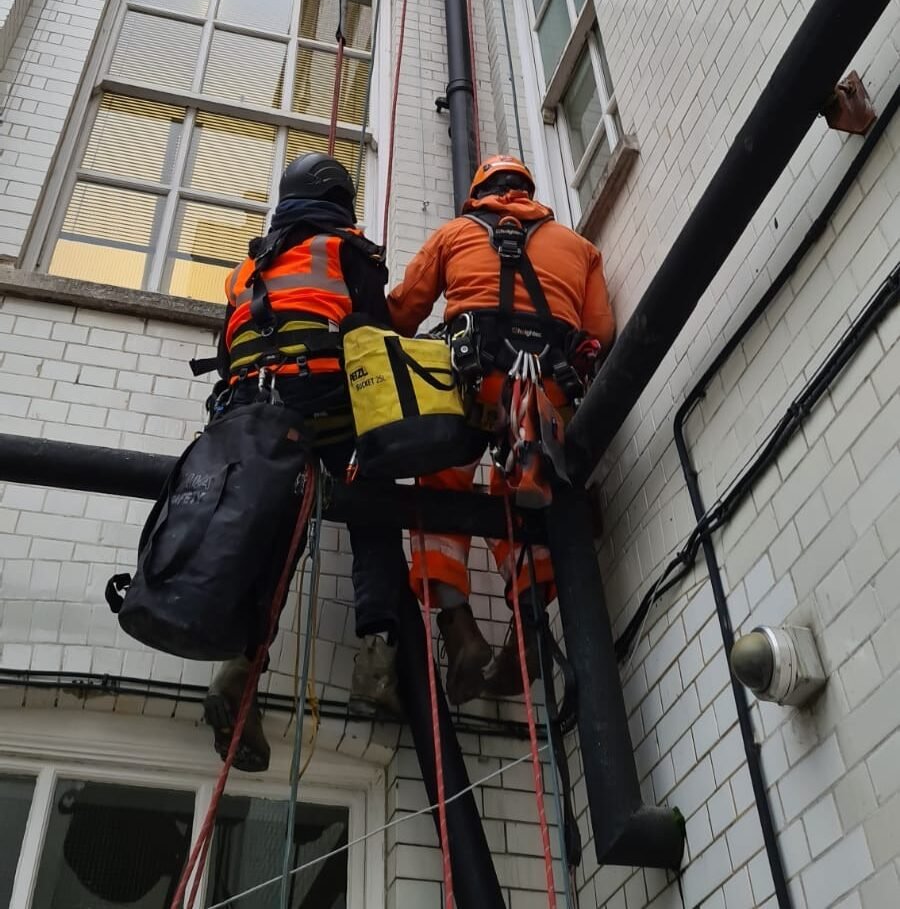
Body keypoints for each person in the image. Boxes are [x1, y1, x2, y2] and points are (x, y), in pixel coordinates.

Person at [203, 152, 408, 772]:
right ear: (339, 201)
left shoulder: (248, 267)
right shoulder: (353, 252)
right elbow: (374, 337)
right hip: (327, 404)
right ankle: (376, 660)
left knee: (279, 539)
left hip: (252, 415)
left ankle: (240, 670)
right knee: (374, 511)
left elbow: (225, 350)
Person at [386, 154, 615, 706]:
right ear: (530, 193)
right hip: (544, 394)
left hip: (472, 386)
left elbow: (403, 313)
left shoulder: (455, 234)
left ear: (480, 192)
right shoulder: (579, 248)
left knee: (441, 483)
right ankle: (530, 628)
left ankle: (459, 627)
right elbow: (601, 332)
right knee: (521, 498)